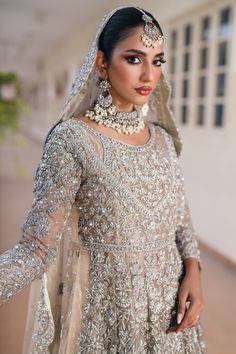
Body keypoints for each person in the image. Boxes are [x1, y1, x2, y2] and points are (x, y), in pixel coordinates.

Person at [0, 6, 207, 353]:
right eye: (134, 58)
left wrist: (194, 268)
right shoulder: (73, 140)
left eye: (157, 61)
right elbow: (35, 248)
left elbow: (180, 218)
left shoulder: (162, 140)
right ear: (101, 62)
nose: (148, 75)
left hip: (174, 321)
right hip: (111, 321)